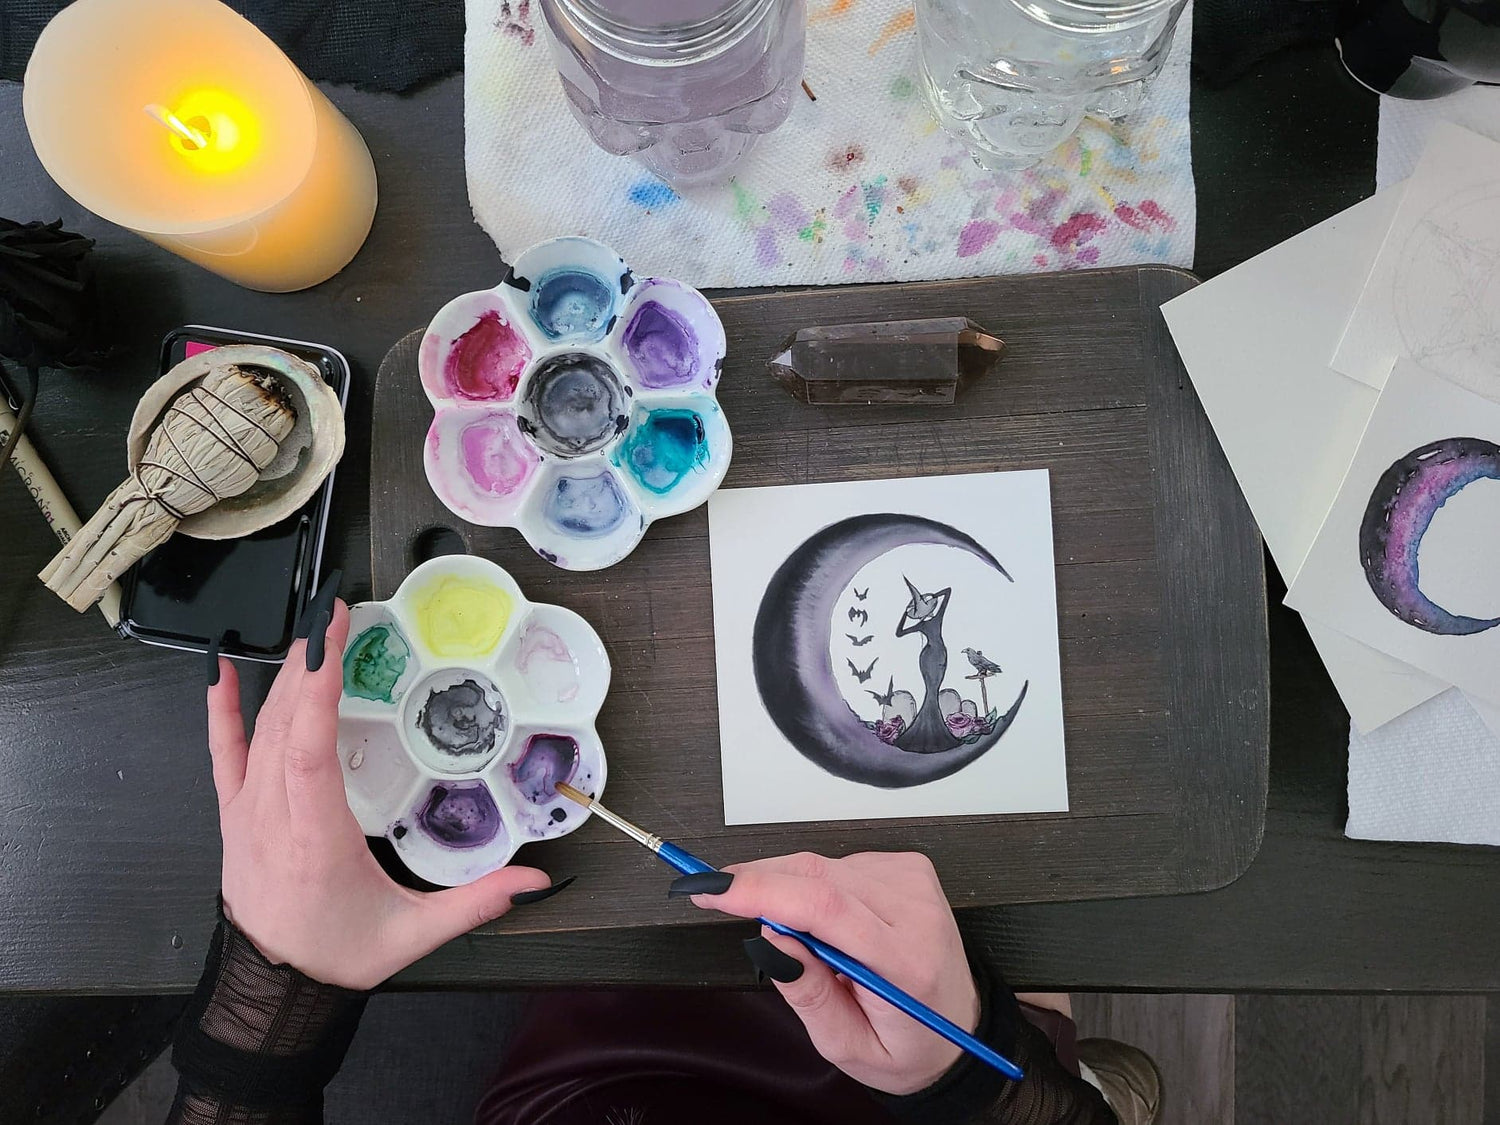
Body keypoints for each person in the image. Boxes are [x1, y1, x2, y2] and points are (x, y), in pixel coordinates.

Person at [168, 598, 1161, 1125]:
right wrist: (969, 1081)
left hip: (582, 1080)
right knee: (1015, 923)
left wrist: (274, 996)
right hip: (880, 1079)